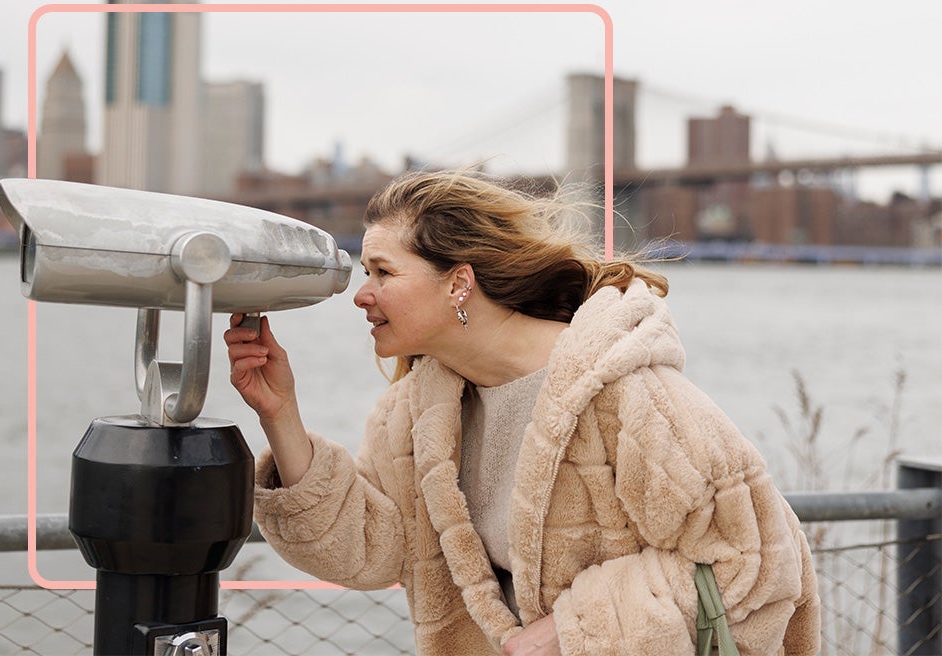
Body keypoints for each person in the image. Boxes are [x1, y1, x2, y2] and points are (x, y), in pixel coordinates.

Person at [224, 170, 820, 656]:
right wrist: (281, 414)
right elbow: (376, 550)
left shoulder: (628, 397)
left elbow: (759, 561)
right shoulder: (415, 413)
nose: (362, 292)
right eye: (364, 272)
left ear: (459, 284)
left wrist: (579, 630)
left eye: (383, 271)